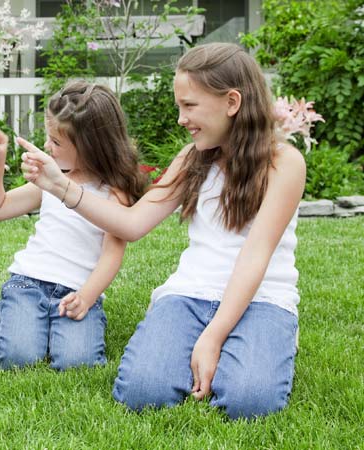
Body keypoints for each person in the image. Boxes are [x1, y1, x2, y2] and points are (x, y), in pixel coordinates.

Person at [20, 43, 305, 419]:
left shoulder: (284, 163)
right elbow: (132, 224)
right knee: (142, 392)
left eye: (189, 106)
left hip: (262, 299)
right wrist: (60, 186)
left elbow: (255, 255)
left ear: (232, 102)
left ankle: (262, 338)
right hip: (189, 295)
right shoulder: (192, 158)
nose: (181, 119)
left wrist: (213, 336)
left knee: (248, 402)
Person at [0, 81, 147, 370]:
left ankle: (38, 328)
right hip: (28, 283)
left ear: (91, 147)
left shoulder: (113, 193)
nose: (48, 147)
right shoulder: (51, 179)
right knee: (16, 358)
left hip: (77, 291)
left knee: (77, 363)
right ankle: (10, 316)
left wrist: (86, 297)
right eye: (49, 138)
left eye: (56, 143)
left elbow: (111, 256)